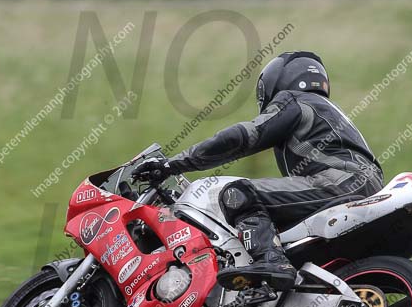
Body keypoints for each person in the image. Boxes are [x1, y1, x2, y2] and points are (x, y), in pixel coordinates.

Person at [132, 51, 384, 291]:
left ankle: (272, 263)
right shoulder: (325, 112)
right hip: (363, 185)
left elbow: (243, 137)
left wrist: (172, 164)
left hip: (340, 181)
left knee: (238, 193)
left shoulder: (295, 101)